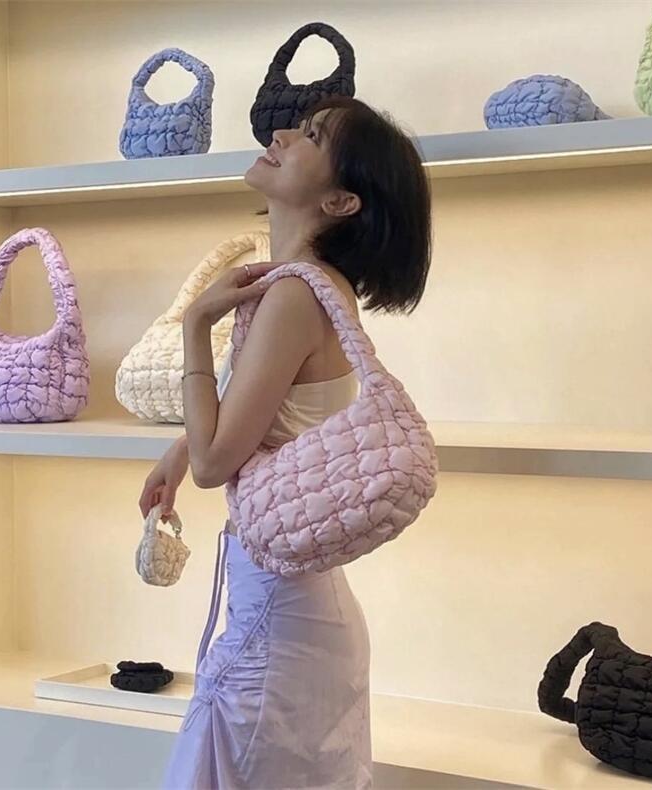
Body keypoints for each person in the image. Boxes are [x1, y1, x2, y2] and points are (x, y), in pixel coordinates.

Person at [139, 95, 433, 789]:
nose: (279, 133)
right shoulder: (310, 287)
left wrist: (195, 328)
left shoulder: (294, 296)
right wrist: (180, 450)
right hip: (294, 612)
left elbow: (217, 464)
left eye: (310, 136)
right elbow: (266, 418)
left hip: (278, 624)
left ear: (340, 201)